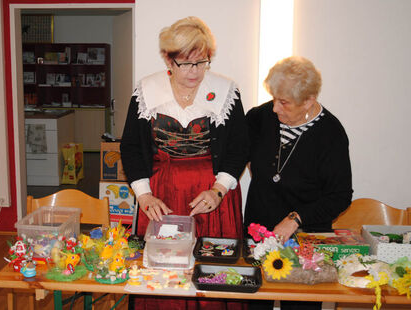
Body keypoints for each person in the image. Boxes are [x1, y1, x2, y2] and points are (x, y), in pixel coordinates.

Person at [121, 16, 248, 309]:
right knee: (163, 268)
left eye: (202, 62)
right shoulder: (147, 90)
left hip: (212, 194)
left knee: (213, 266)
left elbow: (240, 147)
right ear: (168, 59)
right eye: (186, 63)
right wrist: (143, 194)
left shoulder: (227, 91)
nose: (195, 72)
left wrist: (219, 190)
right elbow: (129, 146)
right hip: (162, 192)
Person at [244, 56, 353, 310]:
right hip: (257, 233)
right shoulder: (260, 118)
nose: (275, 109)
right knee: (254, 303)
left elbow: (340, 195)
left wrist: (295, 217)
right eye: (273, 99)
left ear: (309, 100)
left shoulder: (331, 134)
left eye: (283, 102)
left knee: (300, 305)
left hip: (305, 239)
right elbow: (236, 156)